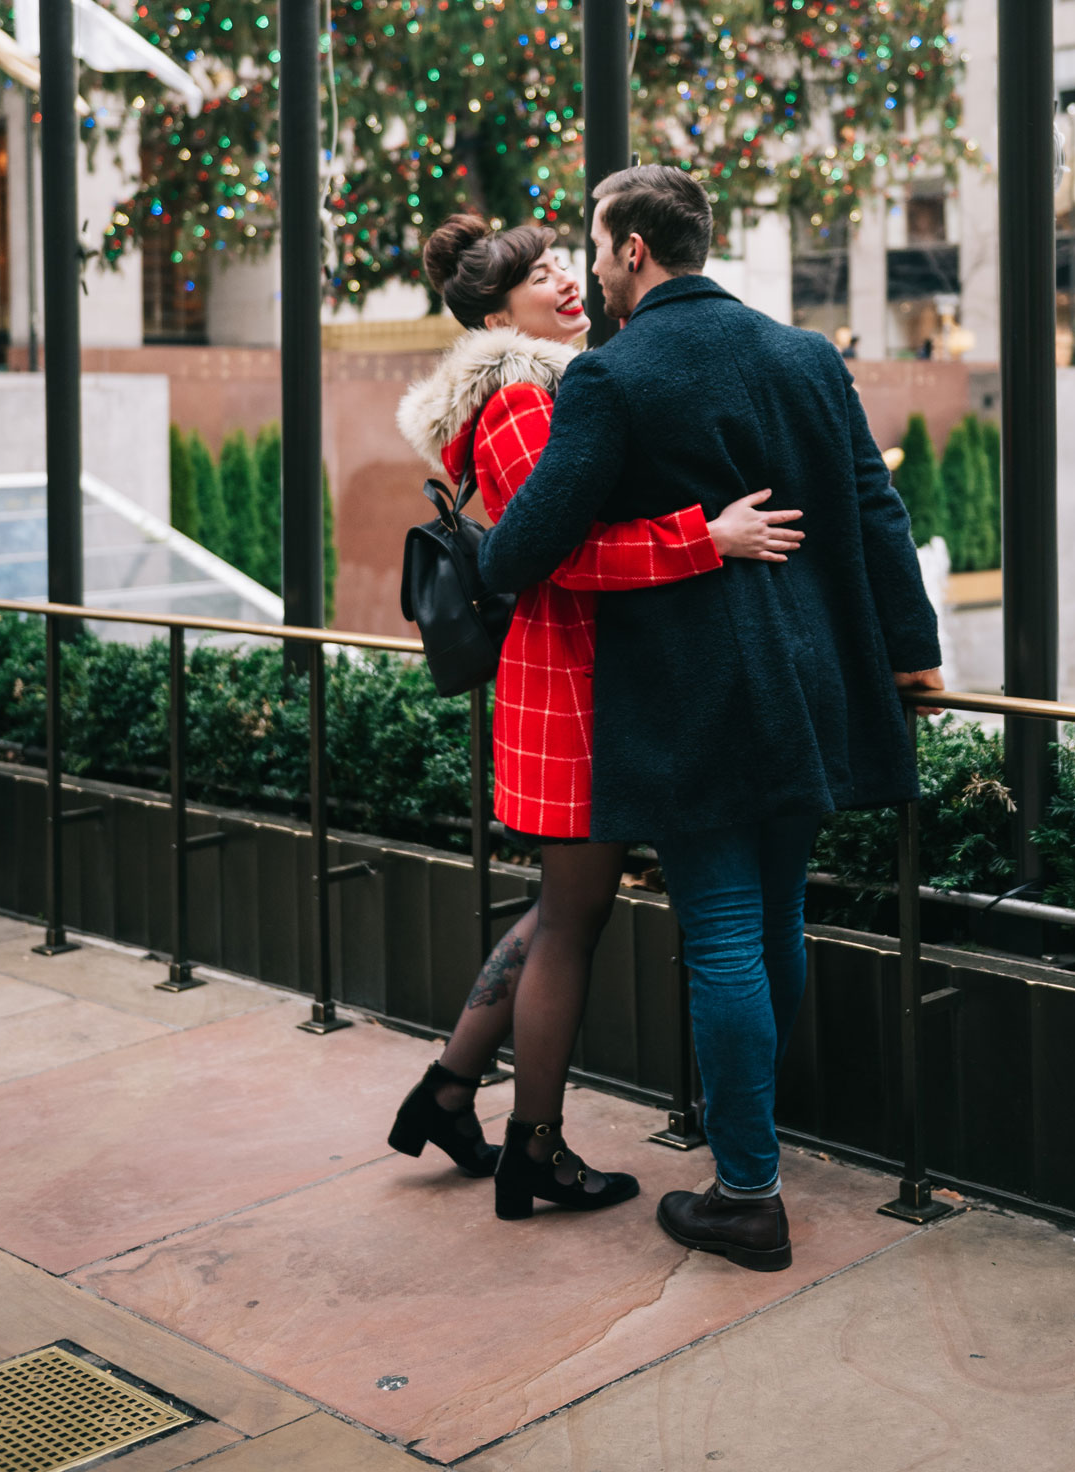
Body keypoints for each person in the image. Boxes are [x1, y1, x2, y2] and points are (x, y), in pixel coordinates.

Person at [478, 166, 944, 1274]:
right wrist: (912, 653)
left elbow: (514, 553)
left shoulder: (612, 377)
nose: (591, 268)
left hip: (695, 701)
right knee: (774, 920)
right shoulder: (804, 355)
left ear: (634, 249)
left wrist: (673, 530)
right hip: (815, 685)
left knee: (727, 932)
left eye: (595, 247)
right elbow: (877, 508)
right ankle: (754, 1153)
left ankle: (745, 1192)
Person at [388, 212, 802, 1223]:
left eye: (562, 266)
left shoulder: (538, 386)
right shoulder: (522, 399)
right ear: (496, 311)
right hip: (569, 680)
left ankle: (448, 1093)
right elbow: (555, 554)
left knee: (554, 911)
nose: (564, 283)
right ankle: (535, 1150)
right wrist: (701, 536)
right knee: (569, 921)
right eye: (537, 278)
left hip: (570, 677)